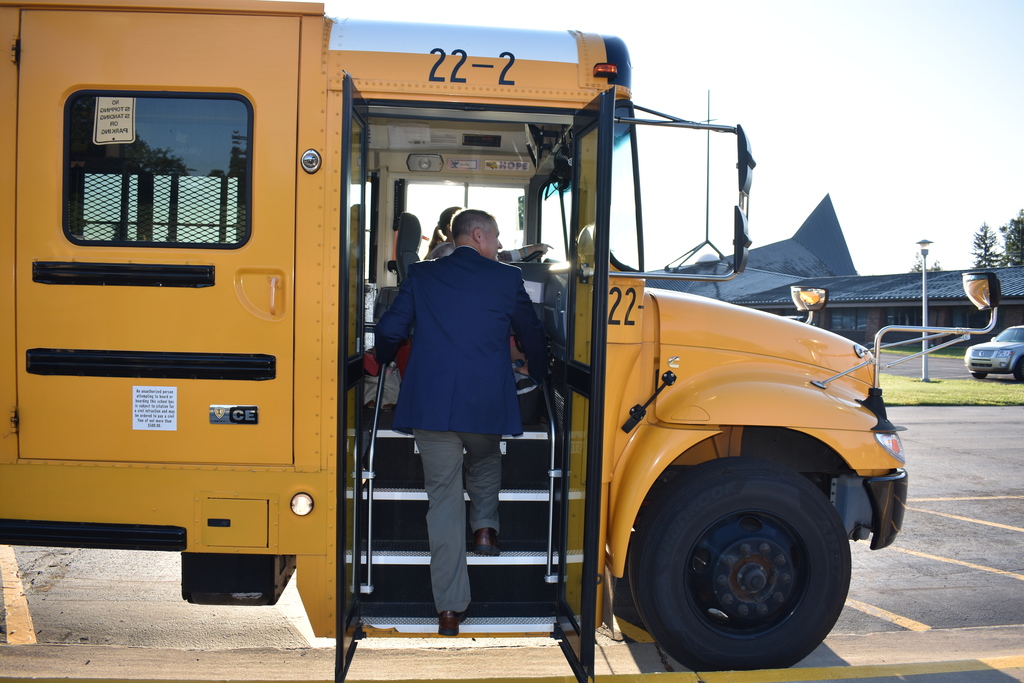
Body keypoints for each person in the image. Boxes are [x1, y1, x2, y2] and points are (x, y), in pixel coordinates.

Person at [374, 209, 548, 636]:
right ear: (478, 235)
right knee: (486, 458)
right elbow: (532, 331)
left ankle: (449, 610)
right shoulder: (506, 279)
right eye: (496, 237)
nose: (498, 245)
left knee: (443, 503)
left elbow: (391, 329)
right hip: (484, 406)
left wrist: (379, 360)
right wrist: (539, 374)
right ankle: (486, 528)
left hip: (430, 409)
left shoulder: (423, 276)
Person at [425, 207, 552, 262]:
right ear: (450, 228)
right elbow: (488, 260)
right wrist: (528, 250)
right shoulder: (448, 251)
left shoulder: (443, 250)